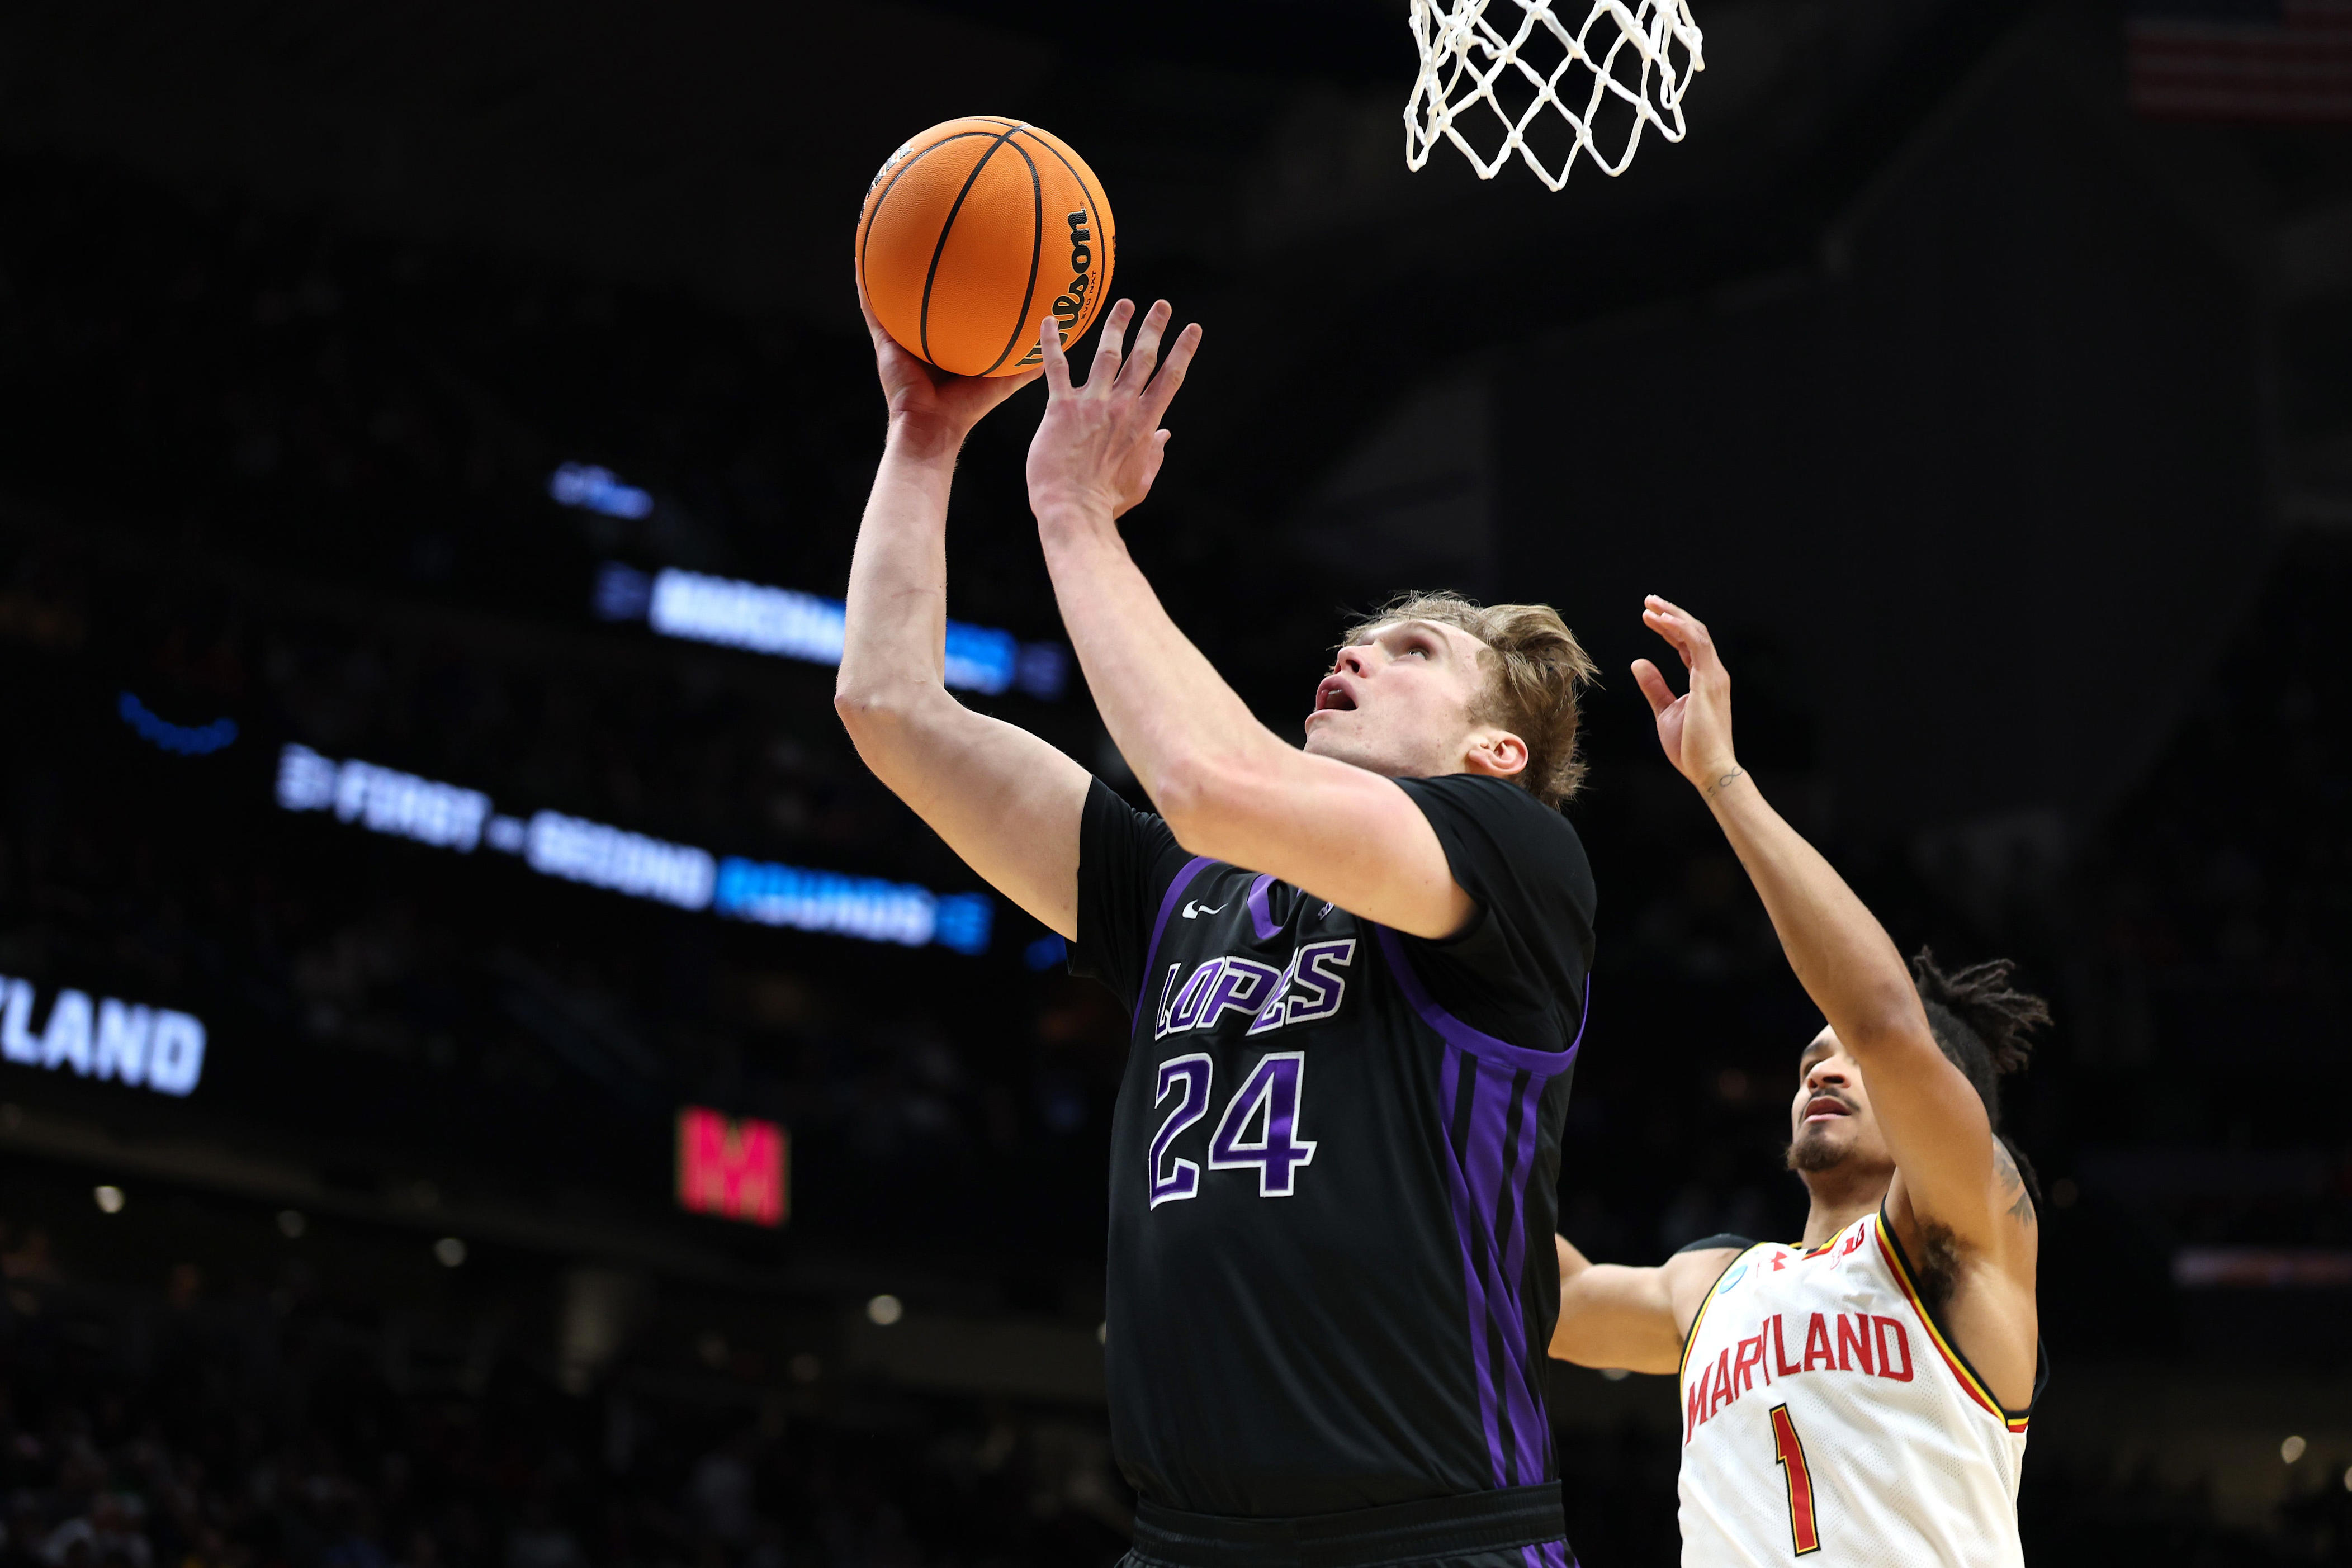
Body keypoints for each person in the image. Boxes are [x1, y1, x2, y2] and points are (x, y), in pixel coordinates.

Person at [835, 294, 1599, 1567]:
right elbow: (888, 705)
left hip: (1429, 1537)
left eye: (1407, 651)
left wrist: (1074, 512)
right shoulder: (1184, 892)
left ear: (1495, 749)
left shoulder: (1518, 857)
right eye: (1350, 642)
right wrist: (923, 439)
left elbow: (1208, 776)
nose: (1352, 656)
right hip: (1189, 1542)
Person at [1548, 598, 2048, 1566]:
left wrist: (1724, 779)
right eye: (1811, 1057)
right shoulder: (1718, 1284)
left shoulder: (1974, 1224)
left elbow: (1887, 1027)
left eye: (1848, 1059)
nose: (1825, 1065)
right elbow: (1544, 1294)